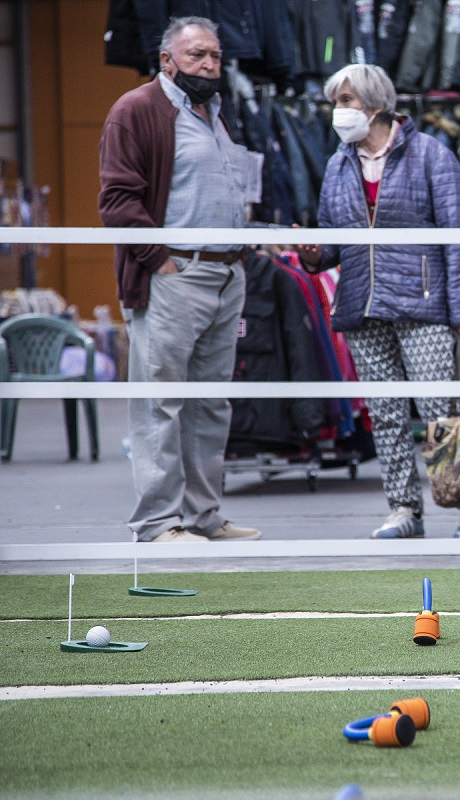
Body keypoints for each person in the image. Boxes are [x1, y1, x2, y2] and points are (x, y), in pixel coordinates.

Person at [295, 64, 460, 540]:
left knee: (440, 412)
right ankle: (404, 509)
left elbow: (459, 237)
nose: (338, 112)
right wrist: (316, 255)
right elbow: (333, 239)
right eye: (336, 102)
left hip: (424, 306)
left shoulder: (430, 156)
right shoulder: (339, 163)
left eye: (346, 101)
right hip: (362, 306)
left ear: (376, 106)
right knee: (386, 414)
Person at [99, 16, 261, 543]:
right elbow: (117, 200)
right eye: (197, 56)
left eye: (214, 56)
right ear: (167, 59)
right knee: (160, 402)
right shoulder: (137, 109)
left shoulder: (217, 113)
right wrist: (159, 260)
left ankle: (203, 517)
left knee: (210, 403)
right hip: (174, 274)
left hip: (224, 272)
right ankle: (157, 523)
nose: (209, 65)